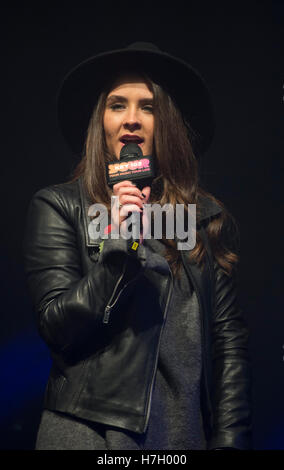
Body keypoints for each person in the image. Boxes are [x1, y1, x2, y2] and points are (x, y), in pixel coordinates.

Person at [23, 42, 252, 450]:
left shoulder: (201, 218)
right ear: (101, 123)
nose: (131, 120)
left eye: (147, 107)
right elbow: (58, 327)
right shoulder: (61, 206)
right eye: (117, 105)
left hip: (180, 436)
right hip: (88, 434)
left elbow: (228, 346)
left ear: (167, 124)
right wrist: (119, 245)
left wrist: (231, 440)